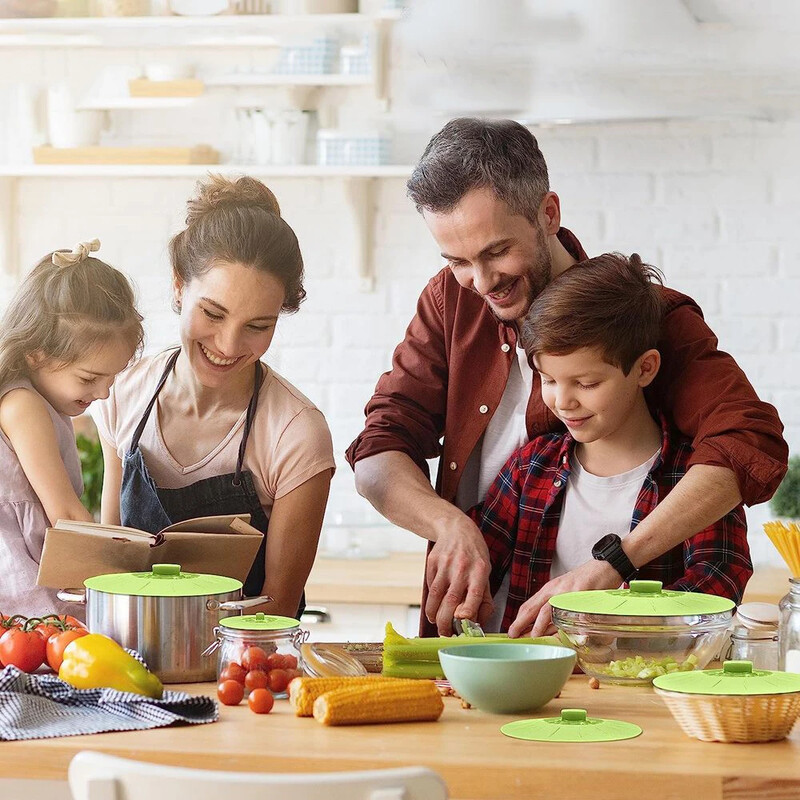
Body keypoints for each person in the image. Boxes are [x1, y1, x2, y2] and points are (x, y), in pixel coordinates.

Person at [346, 118, 787, 637]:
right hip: (486, 642)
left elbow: (747, 441)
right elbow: (378, 451)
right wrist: (448, 525)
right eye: (457, 260)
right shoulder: (451, 300)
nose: (481, 282)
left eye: (495, 252)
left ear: (548, 213)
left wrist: (616, 565)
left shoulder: (644, 318)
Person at [471, 252, 752, 635]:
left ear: (645, 368)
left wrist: (603, 622)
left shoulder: (694, 479)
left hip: (643, 687)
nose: (563, 402)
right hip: (532, 686)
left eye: (586, 384)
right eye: (549, 380)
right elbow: (477, 567)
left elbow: (717, 589)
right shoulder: (529, 467)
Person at [96, 175, 335, 620]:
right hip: (128, 659)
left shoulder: (295, 432)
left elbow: (279, 606)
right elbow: (111, 567)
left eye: (258, 326)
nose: (228, 345)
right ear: (179, 285)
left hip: (243, 669)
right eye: (213, 313)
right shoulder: (122, 393)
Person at [0, 239, 143, 617]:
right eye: (90, 378)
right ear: (37, 353)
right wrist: (127, 568)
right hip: (22, 594)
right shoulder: (23, 405)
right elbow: (64, 511)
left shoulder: (37, 401)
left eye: (112, 377)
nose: (104, 391)